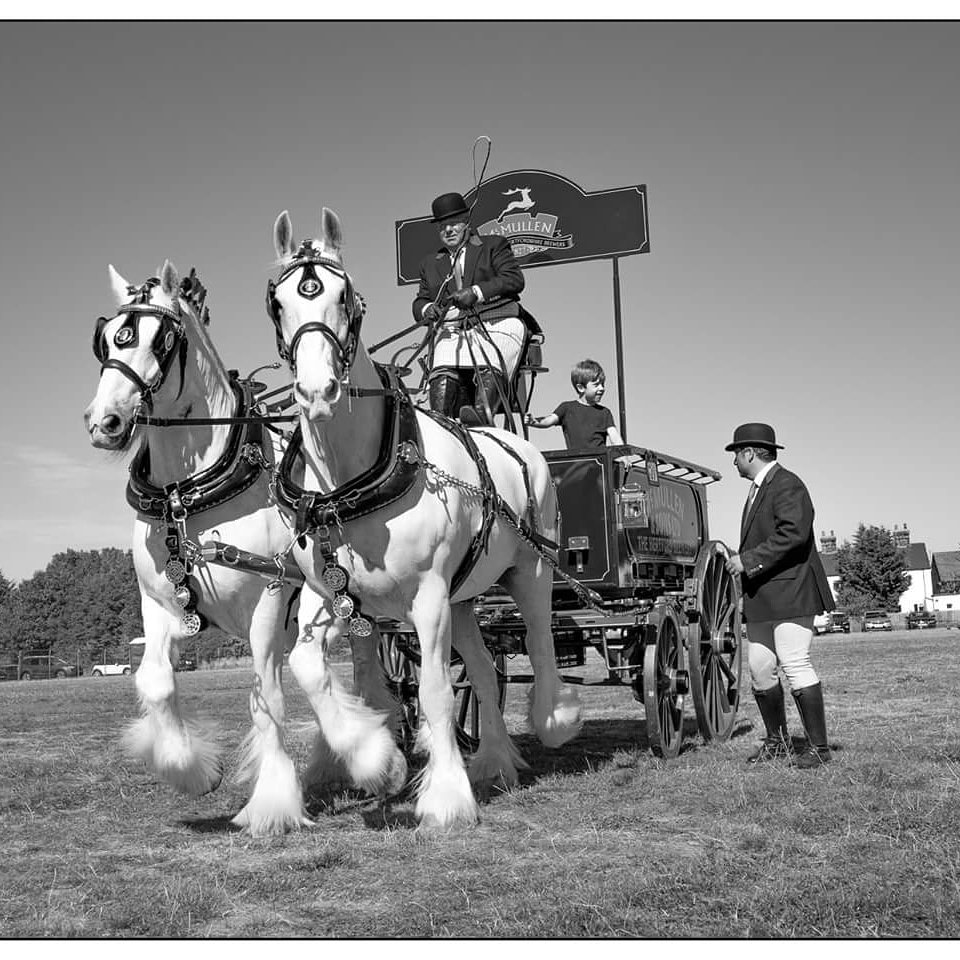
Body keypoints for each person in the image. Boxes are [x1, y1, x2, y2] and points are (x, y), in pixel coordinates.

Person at [722, 423, 835, 769]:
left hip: (791, 589)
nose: (734, 462)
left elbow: (794, 535)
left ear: (749, 453)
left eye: (736, 454)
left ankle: (818, 748)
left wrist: (747, 561)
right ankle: (777, 742)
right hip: (764, 594)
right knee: (759, 669)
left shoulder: (787, 484)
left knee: (795, 662)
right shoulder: (758, 488)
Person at [413, 191, 539, 425]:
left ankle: (481, 417)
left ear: (466, 222)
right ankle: (440, 423)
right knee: (441, 360)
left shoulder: (493, 245)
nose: (448, 230)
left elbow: (514, 279)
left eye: (453, 223)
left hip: (497, 320)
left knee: (492, 354)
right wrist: (427, 308)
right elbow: (420, 301)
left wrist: (476, 292)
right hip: (455, 329)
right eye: (442, 226)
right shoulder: (430, 263)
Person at [526, 358, 624, 449]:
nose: (602, 388)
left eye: (603, 384)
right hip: (577, 460)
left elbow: (614, 437)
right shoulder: (566, 408)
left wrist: (623, 454)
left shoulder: (605, 413)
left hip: (599, 460)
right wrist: (534, 422)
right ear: (581, 388)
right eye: (596, 385)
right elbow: (549, 420)